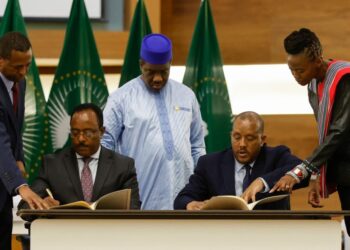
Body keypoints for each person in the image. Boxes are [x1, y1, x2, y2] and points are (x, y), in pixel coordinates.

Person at [102, 33, 205, 210]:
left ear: (170, 64)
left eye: (163, 72)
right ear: (141, 64)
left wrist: (201, 186)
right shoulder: (120, 98)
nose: (157, 79)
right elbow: (105, 147)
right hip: (140, 198)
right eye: (151, 72)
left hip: (185, 199)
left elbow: (197, 145)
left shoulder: (187, 96)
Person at [270, 28, 350, 235]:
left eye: (300, 70)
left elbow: (338, 132)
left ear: (317, 60)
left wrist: (300, 172)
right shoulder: (313, 84)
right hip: (344, 173)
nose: (296, 76)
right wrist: (316, 177)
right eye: (292, 70)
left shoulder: (345, 78)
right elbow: (325, 135)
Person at [174, 111, 308, 210]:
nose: (242, 144)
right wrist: (190, 204)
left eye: (249, 138)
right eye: (237, 137)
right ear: (231, 136)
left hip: (269, 235)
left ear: (262, 140)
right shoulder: (209, 164)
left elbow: (303, 169)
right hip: (224, 237)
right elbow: (181, 199)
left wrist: (262, 181)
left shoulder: (276, 156)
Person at [18, 103, 140, 210]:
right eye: (75, 133)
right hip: (66, 234)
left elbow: (133, 207)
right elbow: (25, 205)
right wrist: (42, 205)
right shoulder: (52, 164)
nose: (81, 139)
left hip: (107, 233)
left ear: (101, 132)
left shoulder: (123, 166)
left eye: (87, 133)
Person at [0, 32, 49, 250]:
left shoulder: (20, 83)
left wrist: (19, 158)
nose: (23, 72)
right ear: (1, 61)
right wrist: (21, 185)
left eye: (27, 65)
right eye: (18, 67)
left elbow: (14, 130)